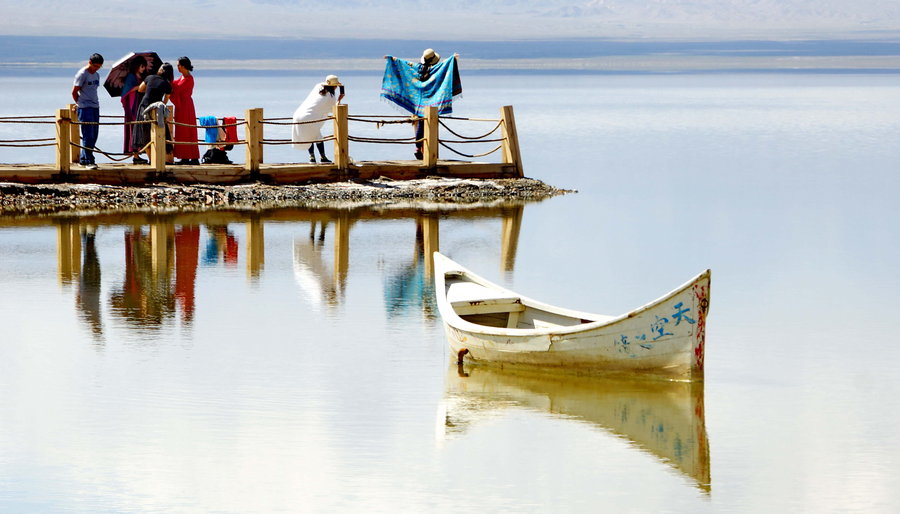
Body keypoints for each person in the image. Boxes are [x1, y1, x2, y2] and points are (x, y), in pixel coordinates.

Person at [381, 49, 461, 159]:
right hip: (432, 102)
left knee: (421, 123)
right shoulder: (436, 69)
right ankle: (427, 152)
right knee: (426, 123)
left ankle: (418, 148)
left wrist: (392, 59)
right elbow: (445, 65)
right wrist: (452, 59)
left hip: (418, 102)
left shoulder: (417, 68)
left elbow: (404, 64)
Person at [292, 74, 344, 164]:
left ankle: (313, 157)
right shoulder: (330, 98)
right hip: (309, 117)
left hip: (298, 114)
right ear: (334, 87)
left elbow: (321, 85)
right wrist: (340, 99)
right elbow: (335, 108)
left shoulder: (318, 88)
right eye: (336, 86)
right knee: (313, 135)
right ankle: (321, 157)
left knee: (312, 136)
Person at [132, 63, 175, 164]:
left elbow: (140, 89)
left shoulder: (150, 77)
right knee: (160, 133)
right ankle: (161, 159)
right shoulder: (167, 84)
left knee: (144, 134)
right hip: (156, 109)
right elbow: (165, 100)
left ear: (161, 70)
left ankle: (152, 160)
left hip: (144, 106)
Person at [71, 53, 104, 169]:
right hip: (85, 107)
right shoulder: (82, 74)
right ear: (90, 62)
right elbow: (74, 91)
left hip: (95, 106)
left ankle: (85, 158)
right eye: (95, 66)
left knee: (94, 134)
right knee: (87, 134)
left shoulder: (97, 75)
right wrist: (78, 104)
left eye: (99, 67)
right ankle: (88, 160)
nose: (96, 68)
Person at [170, 56, 200, 165]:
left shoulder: (189, 79)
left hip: (186, 106)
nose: (177, 67)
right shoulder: (181, 77)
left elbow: (177, 88)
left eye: (178, 65)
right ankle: (184, 157)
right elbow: (175, 84)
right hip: (180, 106)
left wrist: (169, 84)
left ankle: (193, 157)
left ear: (183, 66)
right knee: (181, 130)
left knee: (188, 130)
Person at [121, 57, 148, 164]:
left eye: (144, 66)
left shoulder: (143, 76)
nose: (143, 68)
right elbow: (127, 91)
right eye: (142, 66)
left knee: (141, 129)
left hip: (140, 104)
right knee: (133, 129)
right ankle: (135, 154)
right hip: (132, 106)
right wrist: (139, 87)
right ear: (137, 66)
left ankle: (139, 153)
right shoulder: (131, 77)